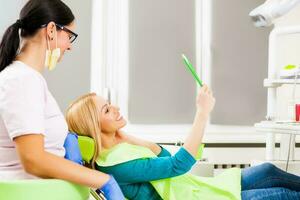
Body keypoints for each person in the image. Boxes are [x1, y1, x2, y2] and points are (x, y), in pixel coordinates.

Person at [65, 87, 300, 200]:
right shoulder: (115, 165)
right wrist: (202, 113)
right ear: (94, 126)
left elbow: (165, 156)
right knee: (280, 195)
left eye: (110, 103)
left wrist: (129, 137)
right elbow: (179, 164)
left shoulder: (120, 148)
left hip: (199, 188)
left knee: (267, 171)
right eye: (107, 109)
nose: (115, 108)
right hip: (196, 197)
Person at [0, 0, 124, 199]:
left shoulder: (28, 79)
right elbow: (33, 159)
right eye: (69, 36)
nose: (69, 46)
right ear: (51, 30)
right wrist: (102, 180)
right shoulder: (21, 79)